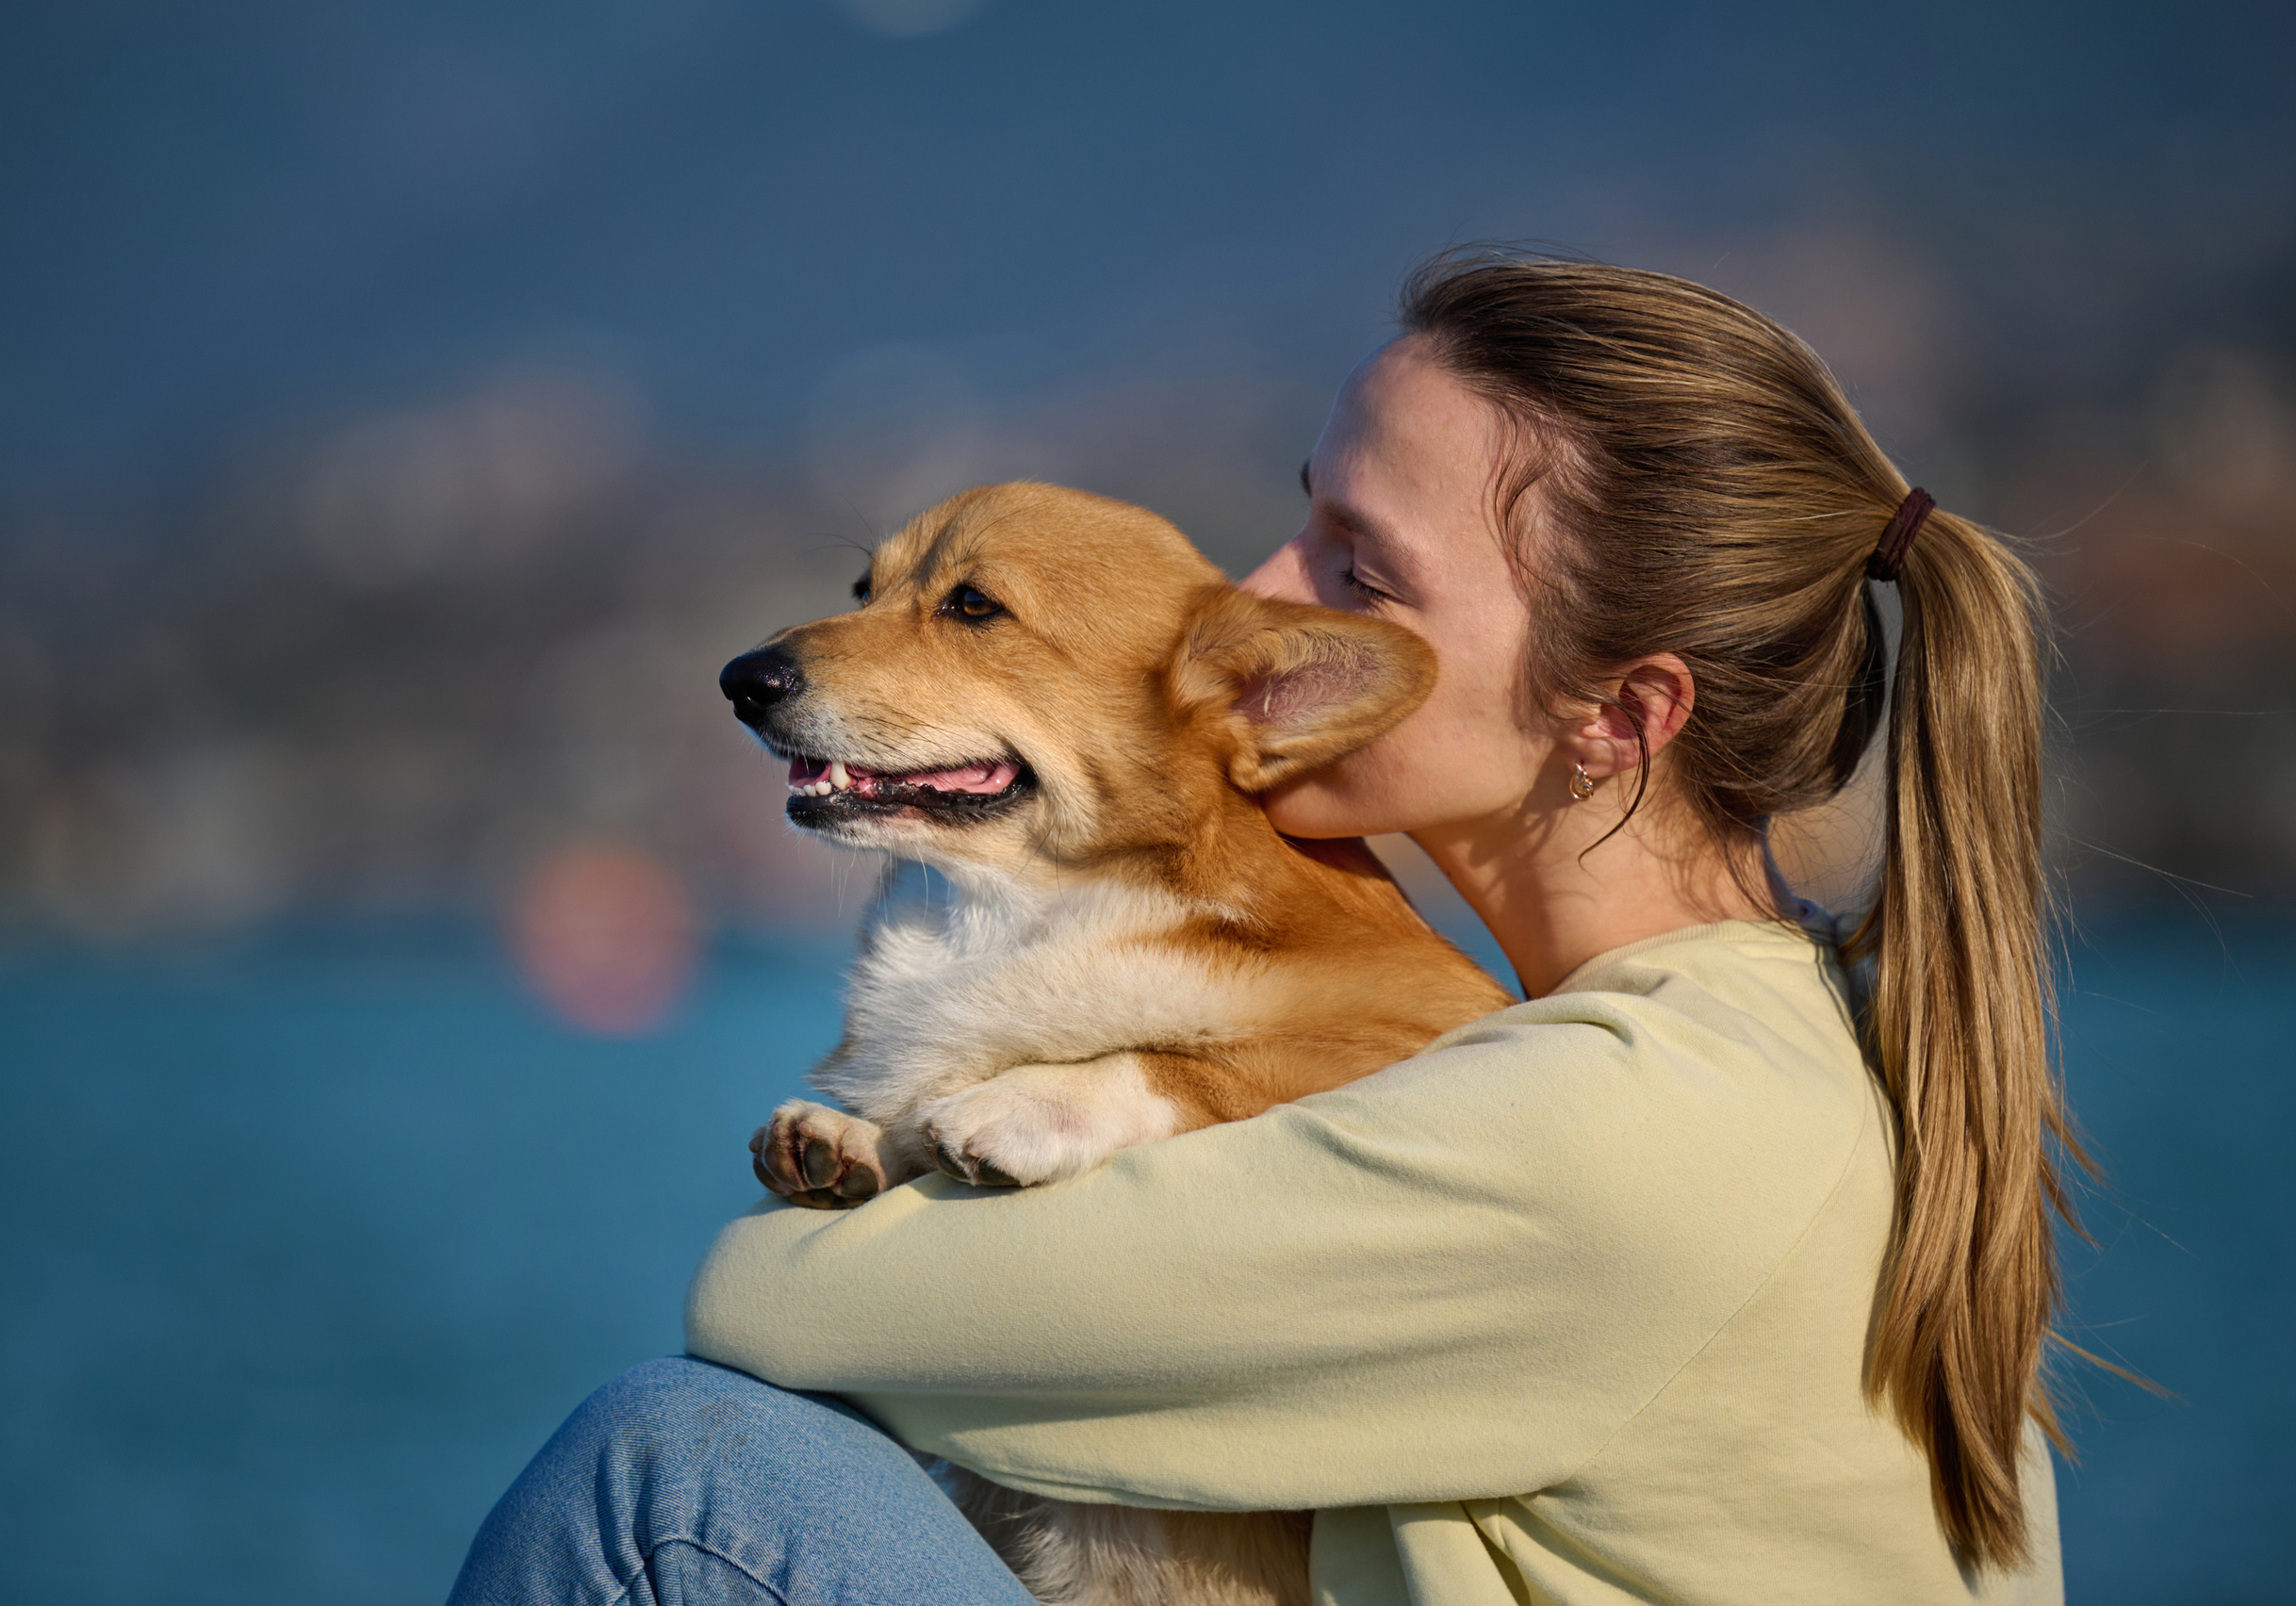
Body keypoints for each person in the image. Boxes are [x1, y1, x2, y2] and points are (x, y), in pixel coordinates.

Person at [447, 254, 2075, 1605]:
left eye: (1359, 570)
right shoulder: (1739, 1051)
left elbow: (780, 1315)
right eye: (1302, 518)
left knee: (673, 1474)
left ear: (1619, 714)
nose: (1256, 591)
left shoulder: (1634, 1128)